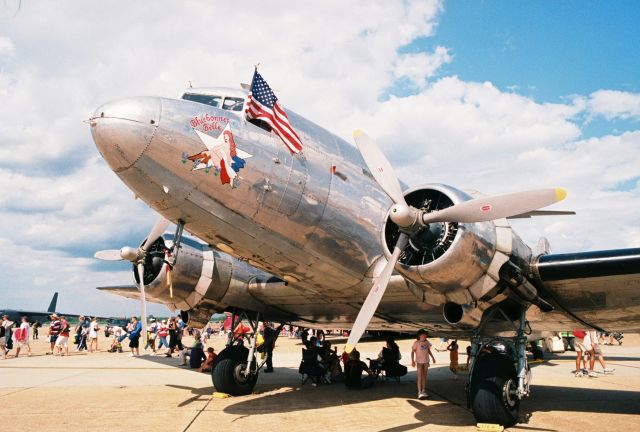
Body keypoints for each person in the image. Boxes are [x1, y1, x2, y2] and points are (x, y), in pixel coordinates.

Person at [411, 329, 436, 399]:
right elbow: (412, 351)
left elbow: (428, 350)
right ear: (419, 335)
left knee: (424, 376)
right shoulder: (416, 343)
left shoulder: (427, 342)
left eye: (425, 334)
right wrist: (412, 361)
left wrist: (433, 358)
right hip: (419, 362)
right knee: (419, 377)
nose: (425, 336)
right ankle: (419, 392)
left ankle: (423, 391)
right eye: (423, 334)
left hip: (426, 361)